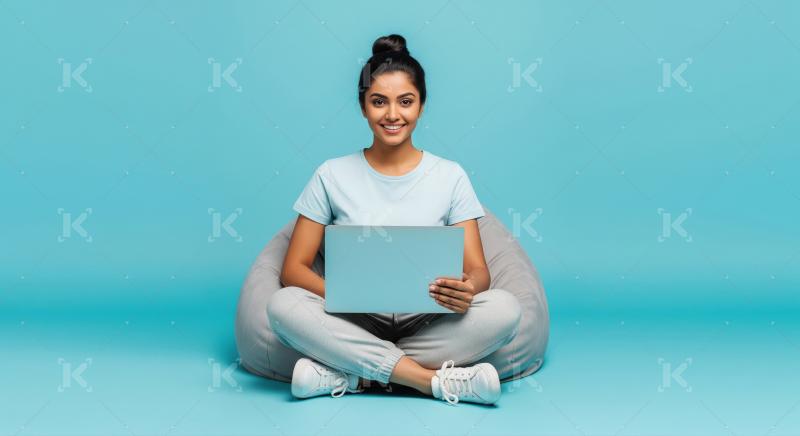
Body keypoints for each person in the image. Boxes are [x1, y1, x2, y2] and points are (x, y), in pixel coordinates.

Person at [270, 34, 522, 405]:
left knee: (506, 309)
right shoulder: (331, 174)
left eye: (405, 102)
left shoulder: (450, 175)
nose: (392, 115)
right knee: (283, 306)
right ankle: (430, 381)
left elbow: (478, 272)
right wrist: (347, 294)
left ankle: (354, 375)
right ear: (362, 107)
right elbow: (294, 270)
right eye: (378, 102)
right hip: (351, 317)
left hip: (428, 320)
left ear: (421, 105)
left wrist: (468, 290)